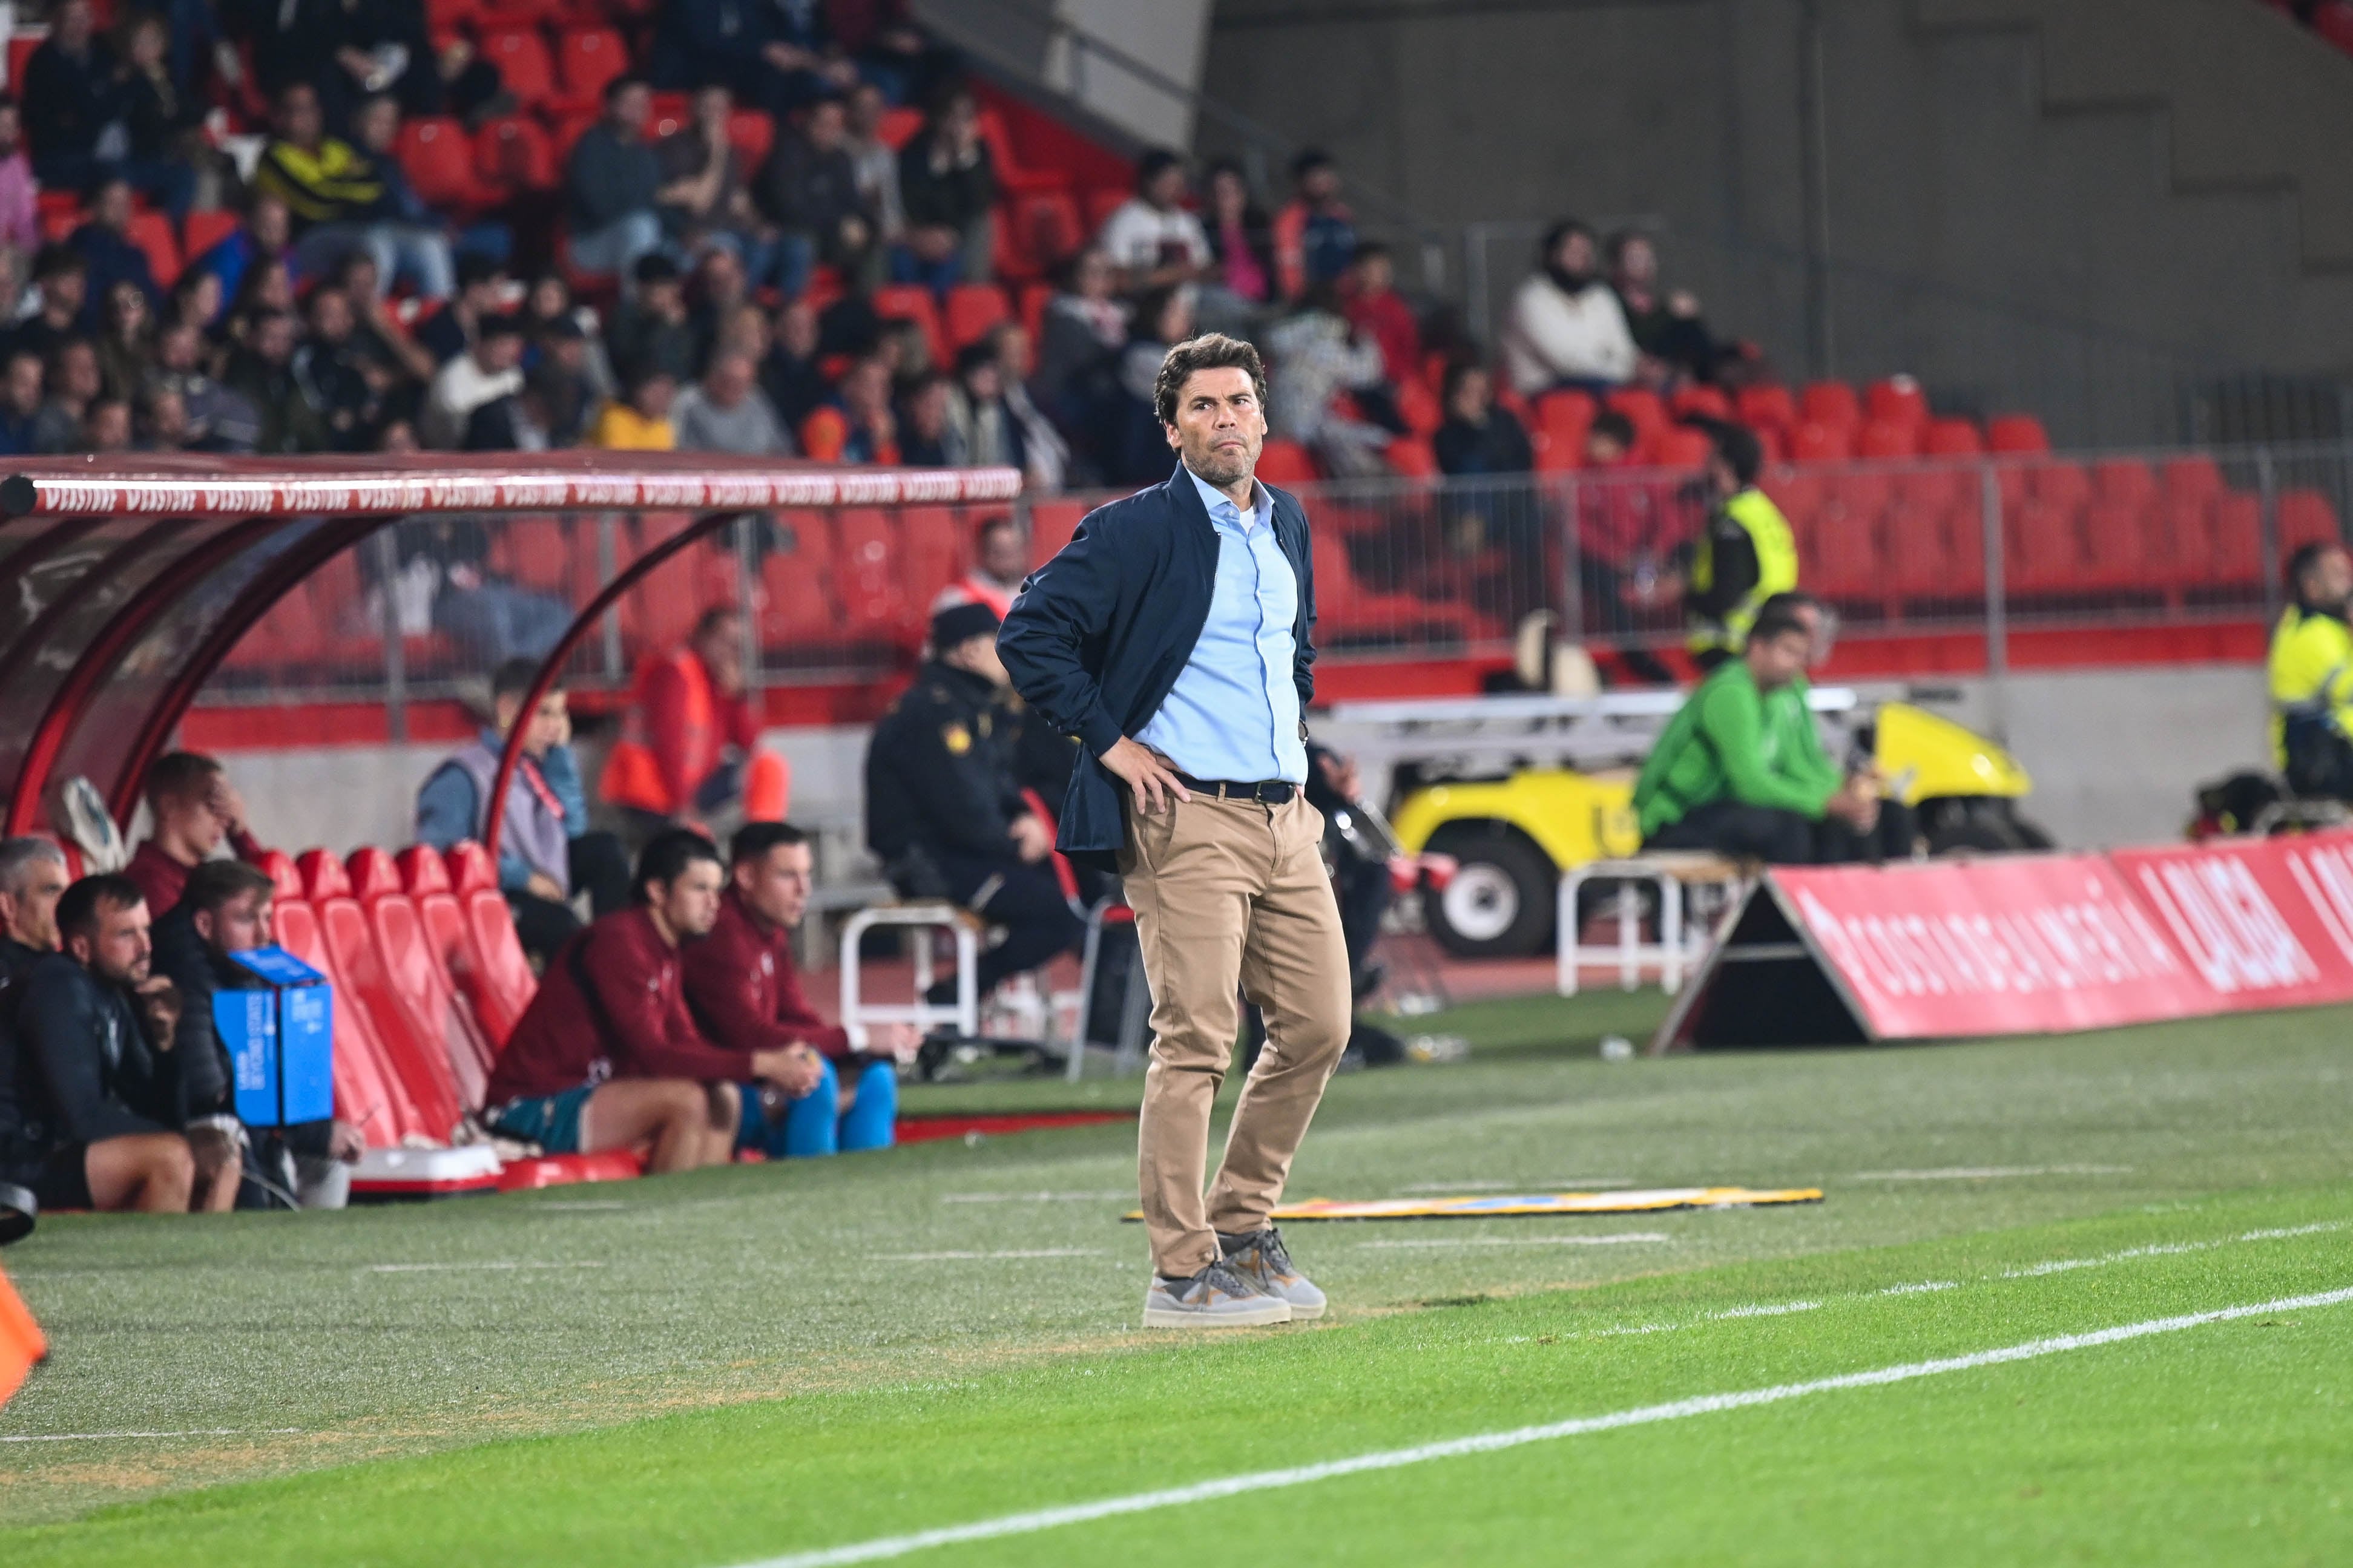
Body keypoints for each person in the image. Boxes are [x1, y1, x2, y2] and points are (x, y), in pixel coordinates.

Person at [999, 332, 1347, 1329]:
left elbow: (1296, 654)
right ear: (1171, 427)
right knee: (1195, 1037)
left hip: (1285, 817)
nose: (1225, 419)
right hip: (1184, 815)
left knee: (1321, 1027)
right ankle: (1180, 1273)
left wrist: (1302, 757)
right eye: (1202, 406)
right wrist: (1109, 742)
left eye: (1238, 401)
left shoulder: (1288, 526)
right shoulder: (1132, 529)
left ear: (1265, 416)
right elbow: (1029, 632)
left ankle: (1242, 1229)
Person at [481, 831, 807, 1172]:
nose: (715, 902)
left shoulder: (666, 948)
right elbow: (653, 1054)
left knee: (724, 1093)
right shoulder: (619, 943)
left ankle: (706, 1215)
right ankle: (664, 1220)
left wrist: (756, 1068)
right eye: (699, 889)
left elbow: (686, 1043)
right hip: (529, 1105)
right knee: (685, 1101)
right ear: (658, 891)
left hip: (586, 1093)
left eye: (716, 890)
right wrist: (761, 1065)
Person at [865, 600, 1085, 1012]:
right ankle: (958, 992)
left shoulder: (974, 708)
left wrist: (1024, 819)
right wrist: (1013, 842)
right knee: (1059, 913)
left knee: (1080, 889)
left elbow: (999, 784)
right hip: (927, 862)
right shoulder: (932, 713)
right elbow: (960, 807)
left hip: (966, 852)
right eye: (996, 643)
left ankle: (1109, 1019)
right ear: (967, 651)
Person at [682, 822, 918, 1158]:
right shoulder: (722, 934)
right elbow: (748, 1036)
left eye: (807, 875)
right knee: (815, 1077)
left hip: (764, 1080)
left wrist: (867, 1049)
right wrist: (859, 1038)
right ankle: (814, 1197)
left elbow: (799, 1016)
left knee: (876, 1079)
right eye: (787, 876)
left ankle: (870, 1199)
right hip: (725, 1085)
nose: (803, 889)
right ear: (747, 877)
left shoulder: (770, 931)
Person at [147, 859, 363, 1210]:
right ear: (204, 924)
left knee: (329, 1161)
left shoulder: (241, 965)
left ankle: (317, 1257)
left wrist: (317, 1129)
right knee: (234, 1139)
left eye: (267, 917)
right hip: (194, 1128)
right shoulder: (185, 974)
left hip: (247, 1121)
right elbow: (208, 1093)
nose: (264, 935)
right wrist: (313, 1134)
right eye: (248, 919)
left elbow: (267, 1065)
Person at [1633, 594, 1891, 864]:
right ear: (1757, 647)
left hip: (1722, 807)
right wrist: (1825, 803)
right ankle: (1778, 907)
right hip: (1678, 817)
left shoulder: (1775, 694)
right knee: (1790, 829)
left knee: (1867, 820)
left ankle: (1863, 903)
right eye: (1788, 652)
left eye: (1801, 656)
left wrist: (1840, 791)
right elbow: (1749, 784)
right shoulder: (1730, 694)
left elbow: (1800, 766)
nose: (1797, 664)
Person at [415, 660, 634, 963]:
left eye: (561, 713)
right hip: (498, 894)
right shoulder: (463, 775)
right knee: (562, 928)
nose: (556, 726)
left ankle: (619, 958)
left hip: (542, 875)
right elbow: (443, 855)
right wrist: (523, 878)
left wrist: (560, 759)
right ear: (507, 709)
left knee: (605, 850)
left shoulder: (537, 766)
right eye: (545, 713)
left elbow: (572, 830)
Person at [15, 875, 196, 1214]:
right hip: (18, 1160)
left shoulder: (113, 993)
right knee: (169, 1157)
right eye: (127, 934)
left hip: (57, 1154)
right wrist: (175, 1139)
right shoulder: (57, 986)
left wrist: (165, 1040)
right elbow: (81, 1118)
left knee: (214, 1158)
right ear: (81, 947)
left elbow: (158, 1110)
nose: (146, 947)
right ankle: (149, 1267)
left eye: (146, 930)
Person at [602, 606, 789, 836]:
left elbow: (749, 743)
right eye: (723, 640)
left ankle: (765, 842)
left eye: (736, 645)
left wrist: (738, 696)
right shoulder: (675, 671)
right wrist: (683, 808)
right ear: (702, 636)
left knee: (767, 766)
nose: (729, 651)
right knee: (698, 845)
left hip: (688, 788)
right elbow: (668, 743)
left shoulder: (714, 681)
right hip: (649, 791)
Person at [1660, 424, 1798, 668]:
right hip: (1764, 639)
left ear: (1725, 466)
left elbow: (1725, 597)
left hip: (1731, 644)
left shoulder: (1732, 524)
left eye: (1711, 458)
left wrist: (1682, 591)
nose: (1704, 466)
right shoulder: (1763, 512)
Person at [0, 839, 70, 1225]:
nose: (64, 905)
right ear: (8, 906)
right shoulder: (20, 977)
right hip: (18, 1155)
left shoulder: (67, 972)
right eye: (50, 892)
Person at [757, 93, 877, 303]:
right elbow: (790, 208)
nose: (828, 131)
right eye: (823, 123)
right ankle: (790, 310)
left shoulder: (841, 159)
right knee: (802, 245)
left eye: (835, 125)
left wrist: (864, 224)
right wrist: (839, 222)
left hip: (831, 235)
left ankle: (864, 309)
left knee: (874, 242)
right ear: (808, 122)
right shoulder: (788, 154)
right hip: (793, 231)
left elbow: (854, 202)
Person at [1501, 219, 1640, 396]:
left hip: (1605, 385)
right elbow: (1565, 361)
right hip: (1545, 393)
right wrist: (1615, 367)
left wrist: (1625, 370)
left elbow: (1626, 352)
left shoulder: (1601, 296)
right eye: (1574, 251)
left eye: (1587, 252)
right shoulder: (1531, 298)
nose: (1583, 258)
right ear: (1553, 255)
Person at [124, 752, 267, 917]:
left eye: (227, 807)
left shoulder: (199, 877)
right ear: (168, 806)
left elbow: (265, 898)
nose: (225, 818)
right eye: (214, 804)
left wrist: (239, 831)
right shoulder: (150, 882)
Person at [2268, 540, 2353, 798]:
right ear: (2313, 588)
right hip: (2320, 764)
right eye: (2339, 575)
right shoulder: (2312, 634)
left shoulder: (2328, 628)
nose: (2349, 583)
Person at [893, 84, 994, 295]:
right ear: (939, 118)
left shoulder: (978, 154)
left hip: (956, 237)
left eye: (967, 118)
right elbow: (907, 203)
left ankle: (974, 294)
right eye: (954, 116)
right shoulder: (914, 153)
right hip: (917, 234)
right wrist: (925, 235)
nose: (959, 126)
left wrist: (965, 159)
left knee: (981, 222)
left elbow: (980, 201)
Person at [566, 78, 665, 286]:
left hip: (633, 234)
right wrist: (641, 201)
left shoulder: (645, 152)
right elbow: (599, 206)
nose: (640, 108)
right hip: (590, 242)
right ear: (611, 106)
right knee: (641, 227)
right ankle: (635, 312)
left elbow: (656, 201)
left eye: (644, 102)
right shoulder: (591, 147)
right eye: (631, 102)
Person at [1096, 149, 1211, 294]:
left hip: (1189, 301)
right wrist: (1169, 275)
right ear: (1149, 182)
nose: (1178, 189)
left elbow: (1203, 267)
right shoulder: (1124, 221)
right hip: (1140, 304)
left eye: (1181, 183)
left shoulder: (1188, 222)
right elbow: (1115, 278)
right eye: (1170, 182)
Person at [420, 310, 524, 449]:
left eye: (514, 345)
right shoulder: (452, 380)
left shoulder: (513, 374)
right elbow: (460, 435)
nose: (509, 352)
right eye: (502, 344)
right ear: (479, 344)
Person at [1272, 148, 1355, 303]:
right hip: (1310, 300)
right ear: (1300, 182)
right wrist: (1300, 298)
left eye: (1326, 175)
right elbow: (1289, 269)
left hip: (1346, 297)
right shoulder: (1289, 220)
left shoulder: (1343, 215)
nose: (1323, 183)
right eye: (1315, 177)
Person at [672, 349, 792, 455]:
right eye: (728, 380)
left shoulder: (756, 399)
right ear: (712, 376)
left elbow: (782, 448)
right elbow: (681, 450)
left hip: (755, 475)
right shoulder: (690, 401)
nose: (735, 388)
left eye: (742, 382)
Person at [930, 513, 1027, 618]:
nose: (1010, 560)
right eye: (1001, 552)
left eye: (1014, 550)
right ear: (983, 552)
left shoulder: (1032, 595)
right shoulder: (958, 599)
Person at [590, 366, 678, 450]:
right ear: (638, 390)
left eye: (666, 394)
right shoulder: (615, 417)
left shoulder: (662, 425)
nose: (661, 400)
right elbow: (620, 460)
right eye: (656, 393)